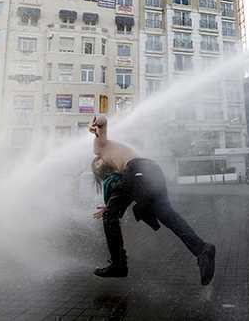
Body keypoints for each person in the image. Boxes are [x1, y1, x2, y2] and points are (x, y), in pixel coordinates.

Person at [89, 116, 216, 285]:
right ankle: (202, 249)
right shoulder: (121, 170)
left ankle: (118, 264)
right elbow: (128, 189)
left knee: (111, 215)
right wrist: (112, 207)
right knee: (167, 216)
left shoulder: (100, 150)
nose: (98, 166)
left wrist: (98, 122)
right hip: (150, 170)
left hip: (138, 169)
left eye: (96, 166)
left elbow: (103, 123)